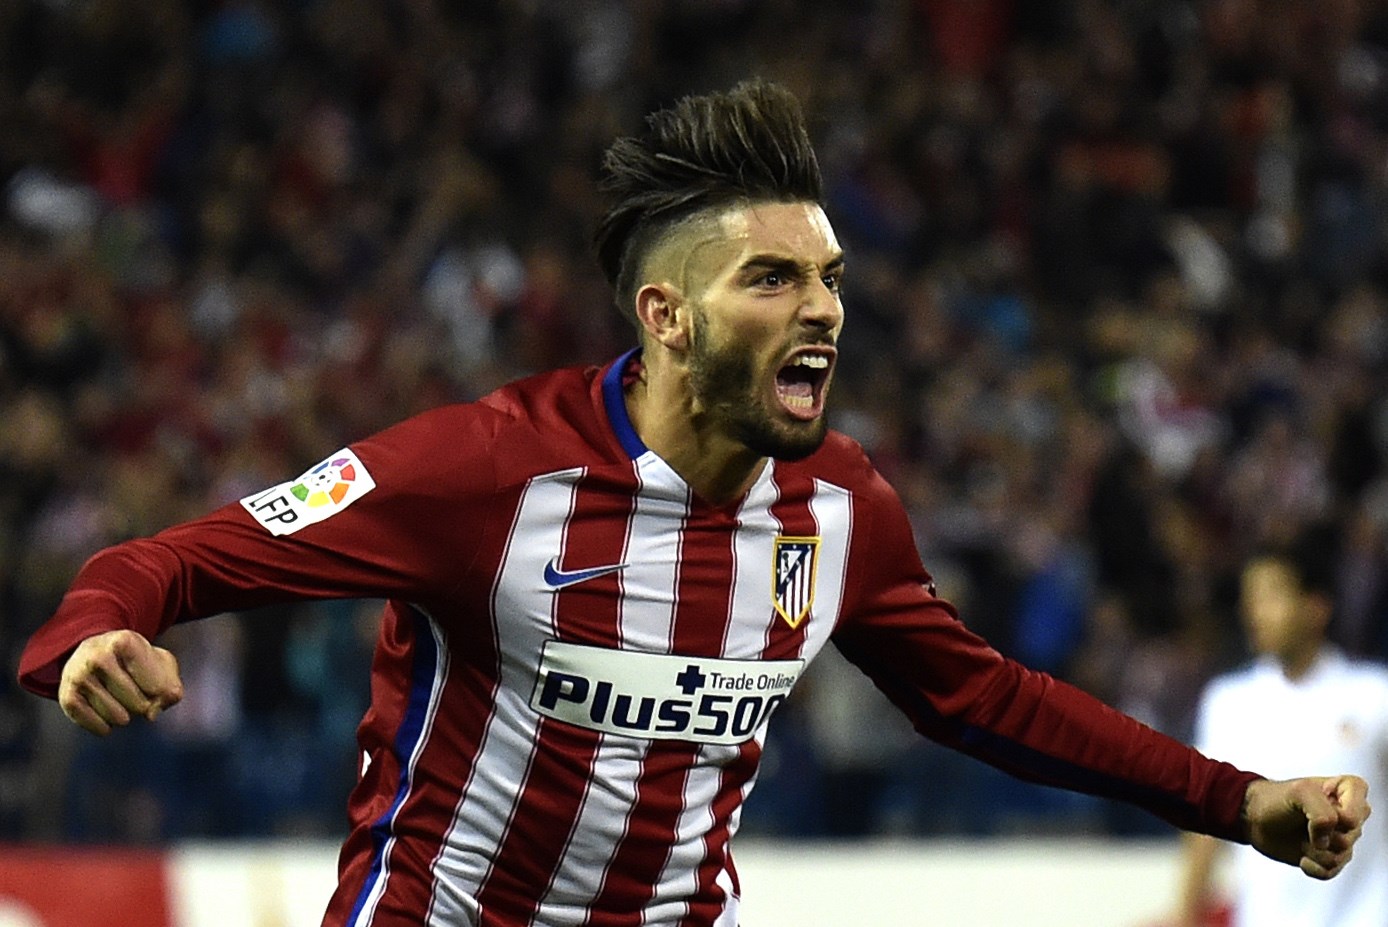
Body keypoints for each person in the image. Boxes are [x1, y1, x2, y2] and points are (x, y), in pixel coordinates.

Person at [19, 80, 1371, 927]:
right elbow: (183, 555)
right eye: (773, 279)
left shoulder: (840, 508)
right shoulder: (483, 473)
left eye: (830, 275)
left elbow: (985, 698)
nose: (826, 309)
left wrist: (1235, 800)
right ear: (665, 315)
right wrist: (95, 626)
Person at [1175, 539, 1388, 927]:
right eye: (1251, 599)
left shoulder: (1375, 697)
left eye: (1272, 595)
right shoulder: (1229, 703)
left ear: (1316, 606)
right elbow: (1205, 826)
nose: (1256, 613)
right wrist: (1186, 915)